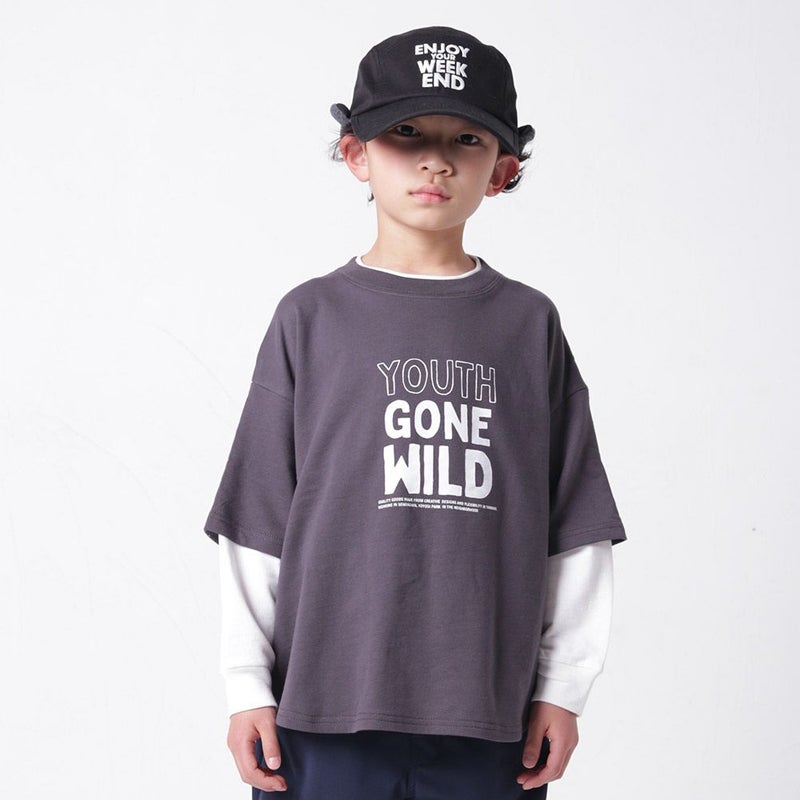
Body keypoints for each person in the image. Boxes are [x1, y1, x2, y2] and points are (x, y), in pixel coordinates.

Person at [204, 25, 627, 799]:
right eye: (407, 133)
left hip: (489, 711)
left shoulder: (527, 325)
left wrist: (564, 686)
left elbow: (575, 521)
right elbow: (258, 516)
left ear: (503, 170)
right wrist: (246, 686)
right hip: (321, 709)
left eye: (466, 138)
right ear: (356, 153)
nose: (435, 160)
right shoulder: (310, 317)